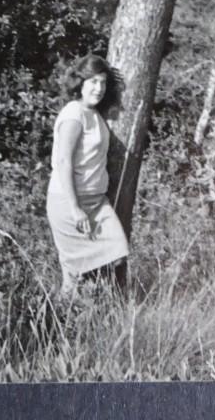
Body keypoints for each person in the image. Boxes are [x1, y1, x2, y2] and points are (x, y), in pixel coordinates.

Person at [46, 53, 129, 298]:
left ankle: (96, 308)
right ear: (80, 83)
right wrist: (75, 208)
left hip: (97, 202)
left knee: (118, 252)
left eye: (103, 82)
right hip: (70, 201)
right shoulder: (74, 113)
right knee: (73, 277)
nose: (99, 88)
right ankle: (57, 323)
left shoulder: (94, 114)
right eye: (93, 81)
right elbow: (63, 161)